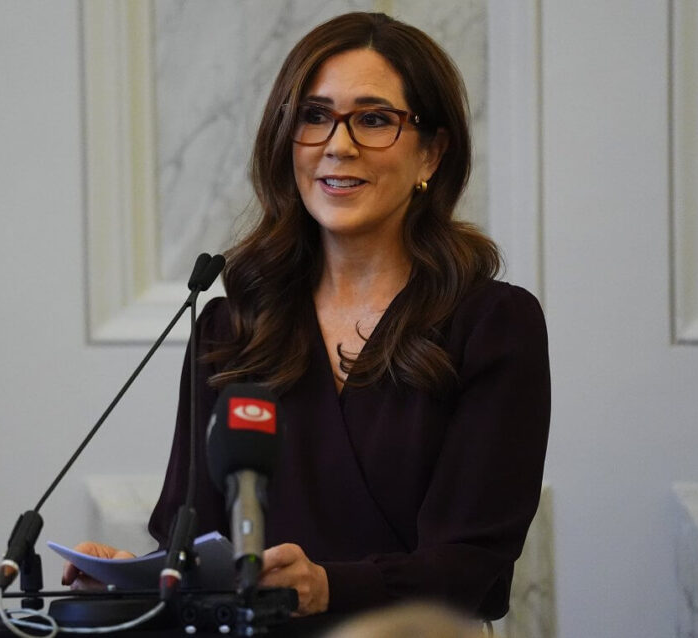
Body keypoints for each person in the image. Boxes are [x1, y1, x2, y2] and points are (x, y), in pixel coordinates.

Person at [62, 11, 550, 623]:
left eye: (374, 119)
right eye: (314, 116)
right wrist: (131, 586)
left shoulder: (494, 324)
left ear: (432, 153)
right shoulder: (230, 326)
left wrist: (329, 587)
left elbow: (473, 567)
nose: (336, 144)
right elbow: (196, 545)